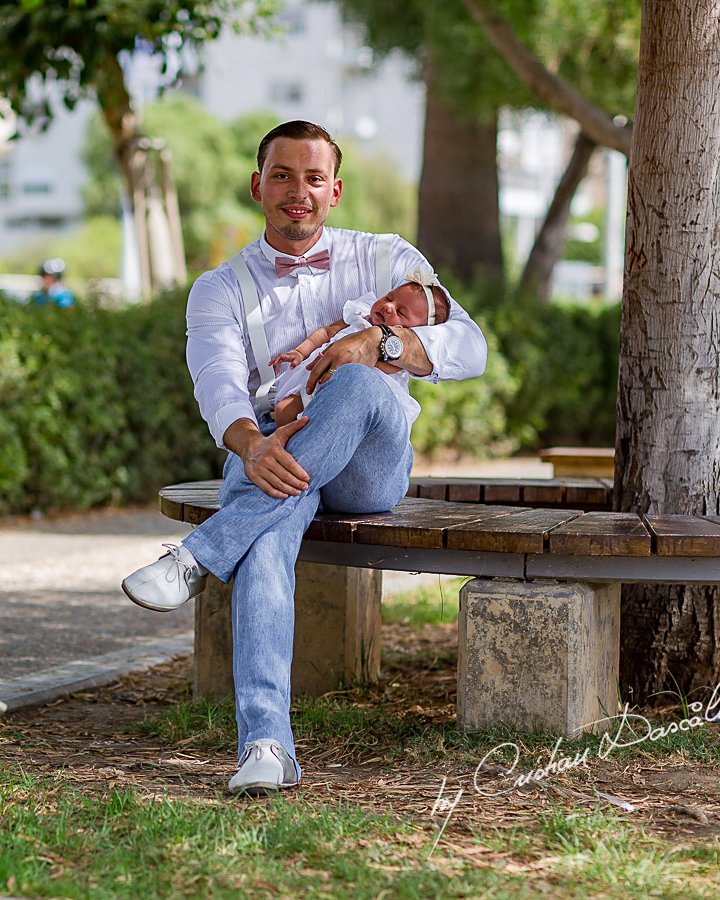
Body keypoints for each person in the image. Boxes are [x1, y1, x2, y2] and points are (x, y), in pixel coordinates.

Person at [120, 120, 487, 796]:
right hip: (272, 449)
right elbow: (218, 383)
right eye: (282, 176)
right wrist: (251, 443)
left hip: (370, 461)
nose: (298, 192)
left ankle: (199, 556)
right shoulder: (218, 288)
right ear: (258, 185)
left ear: (335, 190)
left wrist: (377, 344)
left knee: (351, 381)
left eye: (312, 178)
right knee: (266, 540)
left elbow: (471, 345)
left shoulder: (386, 258)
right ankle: (267, 746)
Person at [270, 276, 451, 429]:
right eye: (389, 298)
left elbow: (379, 370)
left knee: (300, 417)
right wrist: (300, 353)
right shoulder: (359, 315)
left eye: (401, 312)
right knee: (283, 411)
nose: (388, 307)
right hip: (316, 382)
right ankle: (286, 448)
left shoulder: (392, 351)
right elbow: (327, 332)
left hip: (349, 397)